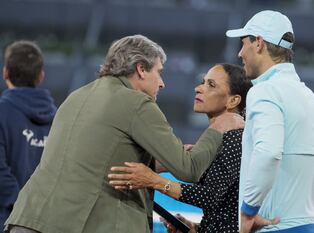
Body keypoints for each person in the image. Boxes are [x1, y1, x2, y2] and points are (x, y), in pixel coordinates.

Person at [4, 35, 243, 233]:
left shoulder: (77, 95)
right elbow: (189, 169)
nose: (162, 83)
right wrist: (218, 127)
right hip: (76, 225)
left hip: (27, 219)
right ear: (140, 69)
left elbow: (93, 159)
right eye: (158, 72)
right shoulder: (137, 103)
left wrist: (154, 166)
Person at [108, 63, 255, 232]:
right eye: (203, 82)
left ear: (233, 100)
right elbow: (224, 207)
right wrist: (196, 228)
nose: (198, 88)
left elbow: (210, 196)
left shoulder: (235, 137)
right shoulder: (222, 137)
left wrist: (154, 180)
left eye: (211, 85)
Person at [225, 10, 314, 233]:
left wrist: (248, 212)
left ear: (258, 43)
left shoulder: (264, 91)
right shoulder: (310, 98)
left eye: (243, 43)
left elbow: (268, 153)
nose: (239, 53)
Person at [0, 41, 56, 233]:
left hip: (8, 220)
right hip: (47, 221)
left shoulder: (2, 112)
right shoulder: (59, 117)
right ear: (41, 76)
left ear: (5, 73)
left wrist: (20, 206)